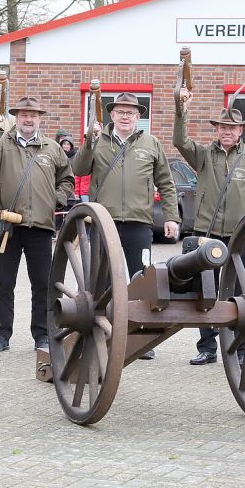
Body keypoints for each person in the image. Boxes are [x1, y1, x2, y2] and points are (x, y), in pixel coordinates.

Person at [74, 92, 179, 360]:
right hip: (104, 221)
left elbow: (166, 183)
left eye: (130, 112)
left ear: (138, 117)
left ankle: (138, 338)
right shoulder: (97, 141)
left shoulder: (151, 144)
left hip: (139, 222)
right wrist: (88, 139)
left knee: (139, 280)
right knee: (103, 279)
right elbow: (80, 169)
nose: (125, 116)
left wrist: (171, 217)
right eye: (120, 111)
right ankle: (103, 335)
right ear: (112, 115)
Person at [173, 88, 245, 366]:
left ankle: (239, 348)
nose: (227, 132)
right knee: (206, 292)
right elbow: (179, 140)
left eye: (233, 128)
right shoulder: (204, 155)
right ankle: (207, 347)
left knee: (241, 294)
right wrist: (182, 110)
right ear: (216, 130)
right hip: (207, 234)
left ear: (241, 131)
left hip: (240, 235)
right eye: (222, 127)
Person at [0, 96, 74, 353]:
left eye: (33, 115)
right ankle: (2, 336)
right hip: (7, 226)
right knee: (5, 283)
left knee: (42, 284)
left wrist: (56, 198)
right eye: (23, 115)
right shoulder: (2, 144)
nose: (28, 119)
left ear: (40, 118)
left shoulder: (52, 148)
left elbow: (67, 180)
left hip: (40, 226)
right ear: (16, 118)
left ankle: (42, 336)